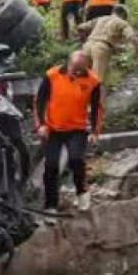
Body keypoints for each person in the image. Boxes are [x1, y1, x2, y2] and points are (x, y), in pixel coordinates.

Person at [34, 50, 103, 212]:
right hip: (53, 128)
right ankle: (51, 204)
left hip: (77, 129)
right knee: (51, 165)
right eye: (74, 68)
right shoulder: (52, 75)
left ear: (87, 67)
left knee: (76, 160)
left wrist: (95, 132)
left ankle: (82, 193)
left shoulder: (93, 82)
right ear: (68, 63)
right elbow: (39, 101)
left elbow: (97, 109)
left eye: (80, 69)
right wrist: (41, 125)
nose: (76, 72)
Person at [78, 5, 138, 82]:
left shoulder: (101, 19)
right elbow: (132, 38)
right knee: (96, 80)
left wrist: (82, 40)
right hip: (101, 49)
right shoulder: (122, 23)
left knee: (83, 77)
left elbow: (81, 27)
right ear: (123, 15)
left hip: (87, 46)